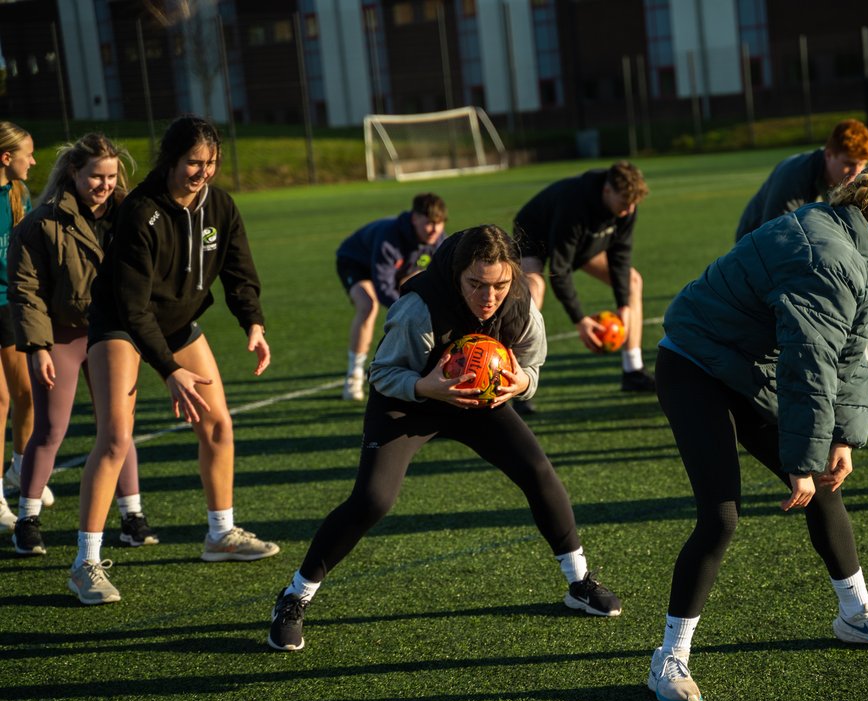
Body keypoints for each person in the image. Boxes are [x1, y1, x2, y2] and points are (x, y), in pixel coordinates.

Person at [267, 225, 621, 652]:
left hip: (477, 401)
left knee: (537, 471)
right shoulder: (420, 307)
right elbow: (381, 372)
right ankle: (294, 596)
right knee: (374, 499)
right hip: (409, 400)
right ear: (457, 275)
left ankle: (578, 582)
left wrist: (519, 384)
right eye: (476, 284)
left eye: (499, 285)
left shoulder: (521, 304)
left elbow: (532, 366)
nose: (488, 297)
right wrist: (424, 387)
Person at [646, 166, 868, 701]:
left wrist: (841, 438)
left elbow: (850, 352)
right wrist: (802, 457)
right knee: (720, 514)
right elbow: (808, 365)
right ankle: (668, 658)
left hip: (743, 367)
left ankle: (855, 613)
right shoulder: (833, 257)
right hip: (691, 365)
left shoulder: (839, 237)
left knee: (826, 483)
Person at [74, 115, 280, 605]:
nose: (202, 172)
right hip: (122, 323)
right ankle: (85, 563)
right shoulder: (140, 213)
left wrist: (253, 321)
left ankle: (220, 534)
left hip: (178, 321)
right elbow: (132, 306)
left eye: (210, 163)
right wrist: (169, 370)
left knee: (218, 425)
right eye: (193, 162)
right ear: (170, 159)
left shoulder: (220, 206)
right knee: (115, 438)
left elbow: (238, 270)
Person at [7, 133, 158, 559]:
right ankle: (27, 522)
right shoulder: (40, 223)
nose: (104, 185)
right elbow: (26, 289)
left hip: (114, 335)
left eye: (111, 176)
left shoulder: (132, 215)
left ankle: (132, 518)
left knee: (119, 428)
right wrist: (37, 347)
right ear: (74, 173)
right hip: (62, 335)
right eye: (96, 176)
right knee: (51, 429)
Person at [736, 119, 868, 407]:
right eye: (849, 164)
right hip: (761, 257)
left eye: (862, 164)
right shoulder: (794, 175)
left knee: (846, 302)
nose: (856, 172)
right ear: (829, 154)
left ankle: (858, 382)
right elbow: (777, 236)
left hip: (802, 254)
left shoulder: (846, 183)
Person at [512, 161, 653, 414]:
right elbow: (560, 269)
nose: (629, 210)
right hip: (535, 236)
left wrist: (623, 306)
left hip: (582, 245)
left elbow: (620, 257)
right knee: (533, 289)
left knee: (633, 281)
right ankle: (516, 384)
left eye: (633, 205)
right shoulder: (573, 203)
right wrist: (580, 320)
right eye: (624, 203)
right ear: (607, 191)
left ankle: (633, 370)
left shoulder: (627, 207)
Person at [338, 193, 447, 400]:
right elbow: (383, 287)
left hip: (400, 269)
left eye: (439, 223)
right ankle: (353, 376)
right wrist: (409, 313)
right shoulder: (390, 238)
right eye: (429, 223)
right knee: (368, 306)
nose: (434, 230)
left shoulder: (439, 240)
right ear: (414, 218)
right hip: (356, 263)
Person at [0, 121, 52, 532]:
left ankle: (21, 468)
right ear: (6, 158)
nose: (33, 161)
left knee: (27, 395)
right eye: (27, 154)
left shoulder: (19, 192)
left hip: (14, 306)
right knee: (0, 402)